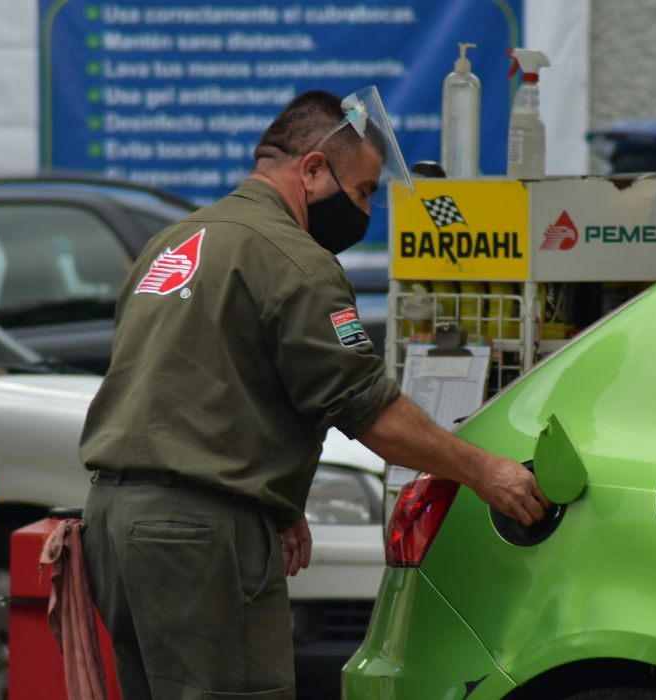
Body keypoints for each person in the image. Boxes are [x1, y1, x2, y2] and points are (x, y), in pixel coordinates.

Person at [80, 86, 550, 700]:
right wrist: (485, 470)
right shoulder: (295, 261)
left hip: (114, 525)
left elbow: (196, 382)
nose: (363, 211)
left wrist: (273, 498)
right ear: (312, 169)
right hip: (200, 537)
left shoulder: (173, 243)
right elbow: (370, 412)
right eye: (362, 192)